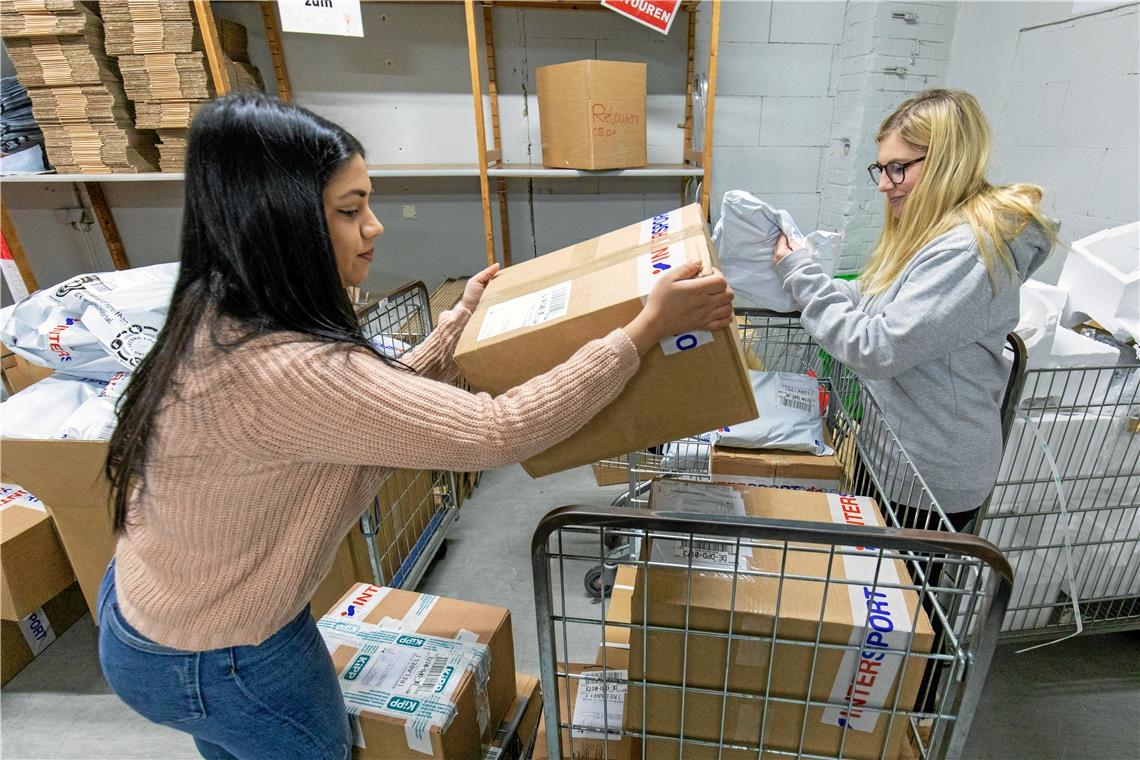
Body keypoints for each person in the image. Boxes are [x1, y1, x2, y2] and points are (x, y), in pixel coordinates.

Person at [97, 92, 734, 760]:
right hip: (221, 653)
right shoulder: (285, 368)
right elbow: (498, 431)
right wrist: (643, 331)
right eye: (349, 211)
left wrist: (458, 325)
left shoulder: (223, 312)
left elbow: (371, 402)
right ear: (278, 225)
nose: (375, 227)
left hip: (158, 620)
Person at [773, 88, 1057, 533]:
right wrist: (805, 277)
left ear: (946, 162)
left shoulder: (968, 253)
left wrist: (802, 278)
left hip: (929, 480)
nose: (884, 183)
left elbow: (877, 348)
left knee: (906, 599)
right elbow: (868, 296)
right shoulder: (930, 235)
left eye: (898, 168)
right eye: (881, 168)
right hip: (890, 455)